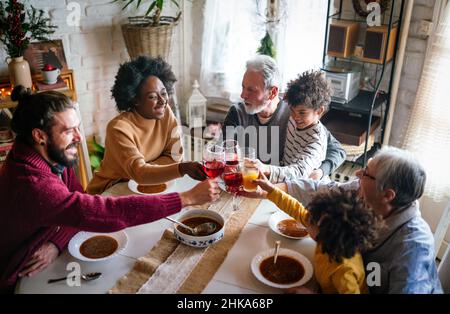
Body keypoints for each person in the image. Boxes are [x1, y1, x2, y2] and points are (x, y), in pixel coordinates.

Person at [0, 87, 220, 293]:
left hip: (51, 247)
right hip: (20, 273)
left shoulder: (51, 158)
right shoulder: (32, 182)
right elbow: (99, 212)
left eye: (78, 127)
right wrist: (187, 198)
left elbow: (78, 207)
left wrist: (56, 242)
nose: (78, 138)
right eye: (69, 131)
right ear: (40, 136)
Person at [242, 146, 443, 294]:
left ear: (388, 195)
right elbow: (321, 190)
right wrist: (271, 189)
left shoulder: (414, 247)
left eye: (366, 174)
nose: (357, 173)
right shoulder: (362, 191)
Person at [87, 56, 206, 195]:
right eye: (152, 97)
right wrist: (180, 169)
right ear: (135, 99)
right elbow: (140, 174)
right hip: (111, 190)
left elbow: (175, 155)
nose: (162, 101)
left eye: (163, 93)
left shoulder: (165, 113)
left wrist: (148, 171)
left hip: (147, 186)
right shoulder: (118, 129)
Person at [222, 55, 346, 180]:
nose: (243, 95)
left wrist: (321, 171)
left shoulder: (295, 114)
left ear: (273, 92)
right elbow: (227, 158)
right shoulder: (236, 114)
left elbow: (337, 150)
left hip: (283, 188)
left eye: (251, 90)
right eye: (243, 87)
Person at [254, 173, 382, 293]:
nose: (306, 218)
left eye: (311, 219)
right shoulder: (328, 235)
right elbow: (296, 209)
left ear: (326, 232)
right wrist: (271, 190)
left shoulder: (344, 271)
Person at [258, 70, 331, 183]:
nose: (295, 117)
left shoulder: (316, 141)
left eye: (302, 113)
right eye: (292, 110)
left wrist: (266, 168)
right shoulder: (294, 117)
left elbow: (299, 173)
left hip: (310, 191)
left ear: (319, 111)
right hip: (288, 180)